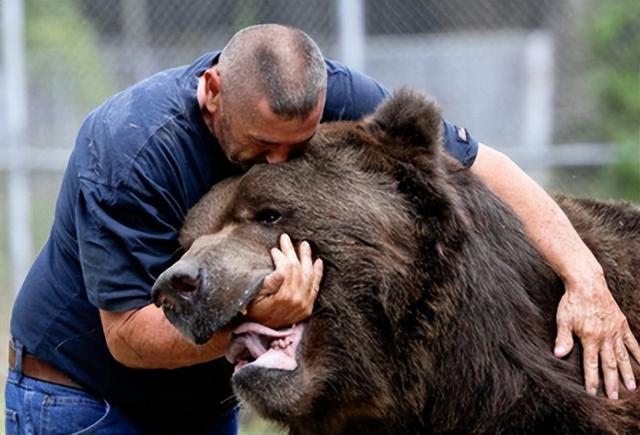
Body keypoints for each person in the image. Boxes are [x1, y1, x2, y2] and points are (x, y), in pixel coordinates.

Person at [6, 24, 638, 435]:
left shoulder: (318, 95)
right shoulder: (130, 152)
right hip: (85, 400)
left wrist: (586, 279)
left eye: (297, 145)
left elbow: (482, 163)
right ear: (212, 94)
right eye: (262, 147)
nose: (281, 159)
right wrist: (264, 314)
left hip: (195, 406)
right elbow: (127, 338)